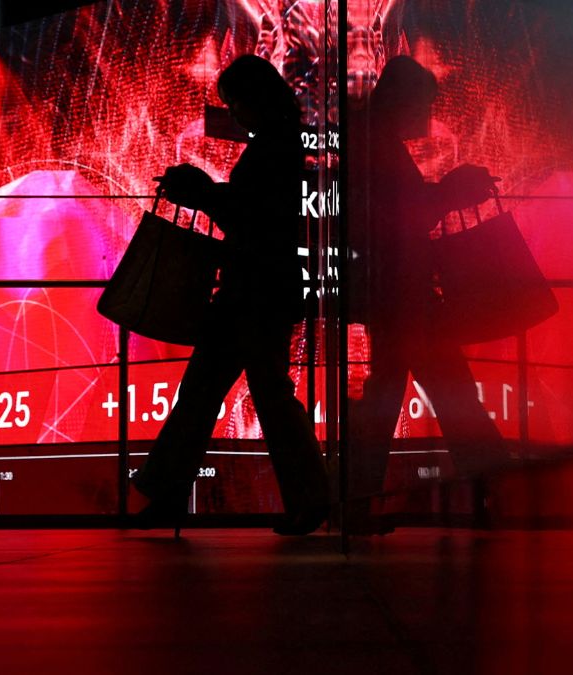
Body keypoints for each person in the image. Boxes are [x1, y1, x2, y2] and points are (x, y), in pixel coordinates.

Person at [131, 55, 329, 536]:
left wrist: (202, 193)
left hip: (252, 291)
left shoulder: (272, 147)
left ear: (253, 98)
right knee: (249, 394)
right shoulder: (281, 143)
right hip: (260, 289)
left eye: (236, 102)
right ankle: (309, 497)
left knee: (213, 393)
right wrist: (208, 195)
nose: (235, 113)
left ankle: (169, 493)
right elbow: (259, 216)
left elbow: (253, 218)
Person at [347, 56, 508, 534]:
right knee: (453, 394)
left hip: (394, 295)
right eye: (423, 104)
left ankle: (357, 503)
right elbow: (403, 218)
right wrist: (453, 192)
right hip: (407, 297)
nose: (426, 115)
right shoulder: (381, 146)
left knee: (391, 399)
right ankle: (495, 489)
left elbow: (391, 214)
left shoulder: (370, 142)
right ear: (405, 100)